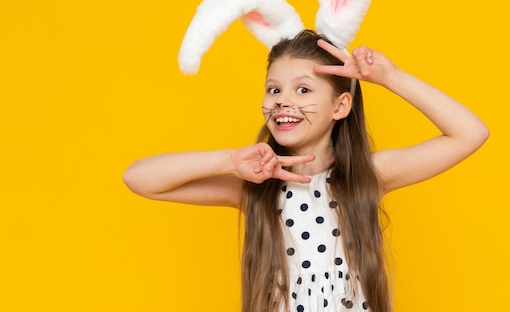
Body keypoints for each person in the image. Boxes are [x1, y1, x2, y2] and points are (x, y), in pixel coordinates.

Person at [123, 29, 489, 312]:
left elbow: (470, 133)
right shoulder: (253, 188)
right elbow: (138, 178)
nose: (283, 99)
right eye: (273, 89)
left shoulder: (367, 175)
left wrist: (391, 77)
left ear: (340, 105)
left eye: (302, 89)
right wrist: (229, 162)